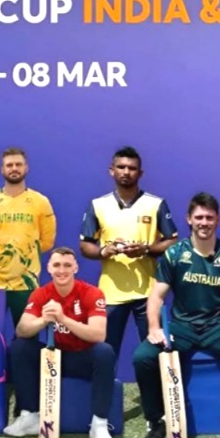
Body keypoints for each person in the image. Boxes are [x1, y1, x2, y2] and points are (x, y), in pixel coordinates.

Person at [133, 193, 220, 438]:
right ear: (189, 220)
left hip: (218, 326)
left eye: (209, 218)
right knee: (143, 357)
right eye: (199, 217)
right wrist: (154, 328)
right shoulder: (175, 254)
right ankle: (157, 421)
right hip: (181, 327)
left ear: (218, 220)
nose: (204, 223)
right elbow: (156, 296)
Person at [3, 247, 115, 438]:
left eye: (67, 265)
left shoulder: (92, 293)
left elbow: (99, 335)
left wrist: (63, 318)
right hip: (56, 357)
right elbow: (21, 330)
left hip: (84, 358)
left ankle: (99, 424)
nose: (62, 270)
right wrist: (43, 320)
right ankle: (29, 416)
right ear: (49, 268)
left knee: (104, 352)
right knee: (20, 347)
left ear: (75, 268)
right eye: (56, 265)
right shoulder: (41, 293)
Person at [79, 146, 179, 357]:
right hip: (110, 294)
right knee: (106, 353)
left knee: (155, 352)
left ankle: (155, 382)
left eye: (132, 168)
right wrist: (104, 251)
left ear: (140, 173)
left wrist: (146, 249)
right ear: (111, 170)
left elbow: (173, 241)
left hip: (148, 292)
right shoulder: (98, 205)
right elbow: (85, 245)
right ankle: (107, 382)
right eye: (121, 167)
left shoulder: (155, 204)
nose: (126, 172)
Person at [0, 147, 56, 326]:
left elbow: (47, 241)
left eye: (18, 165)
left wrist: (23, 257)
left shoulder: (41, 202)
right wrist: (1, 261)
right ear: (2, 169)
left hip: (27, 283)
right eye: (9, 165)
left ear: (26, 168)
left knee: (27, 336)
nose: (14, 169)